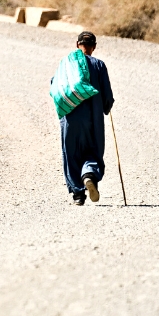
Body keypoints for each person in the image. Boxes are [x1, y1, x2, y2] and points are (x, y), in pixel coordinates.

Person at [52, 31, 114, 206]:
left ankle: (78, 195)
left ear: (77, 44)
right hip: (92, 120)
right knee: (92, 150)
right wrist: (107, 107)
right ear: (94, 47)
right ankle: (89, 175)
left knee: (71, 154)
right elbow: (107, 97)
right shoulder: (99, 65)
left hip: (70, 119)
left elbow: (55, 86)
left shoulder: (66, 63)